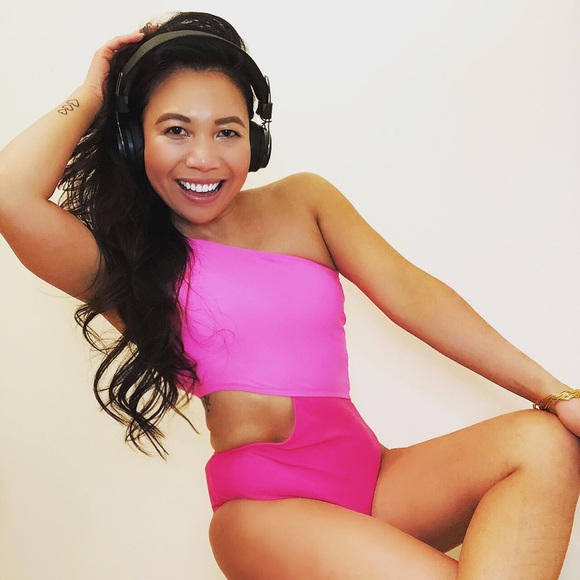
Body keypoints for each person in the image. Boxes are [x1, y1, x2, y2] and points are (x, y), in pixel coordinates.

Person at [0, 10, 578, 579]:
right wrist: (93, 93)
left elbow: (414, 294)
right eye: (176, 130)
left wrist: (557, 394)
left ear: (256, 140)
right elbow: (11, 196)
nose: (204, 157)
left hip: (372, 479)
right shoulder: (124, 262)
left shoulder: (304, 202)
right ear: (135, 140)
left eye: (227, 131)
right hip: (265, 510)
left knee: (544, 443)